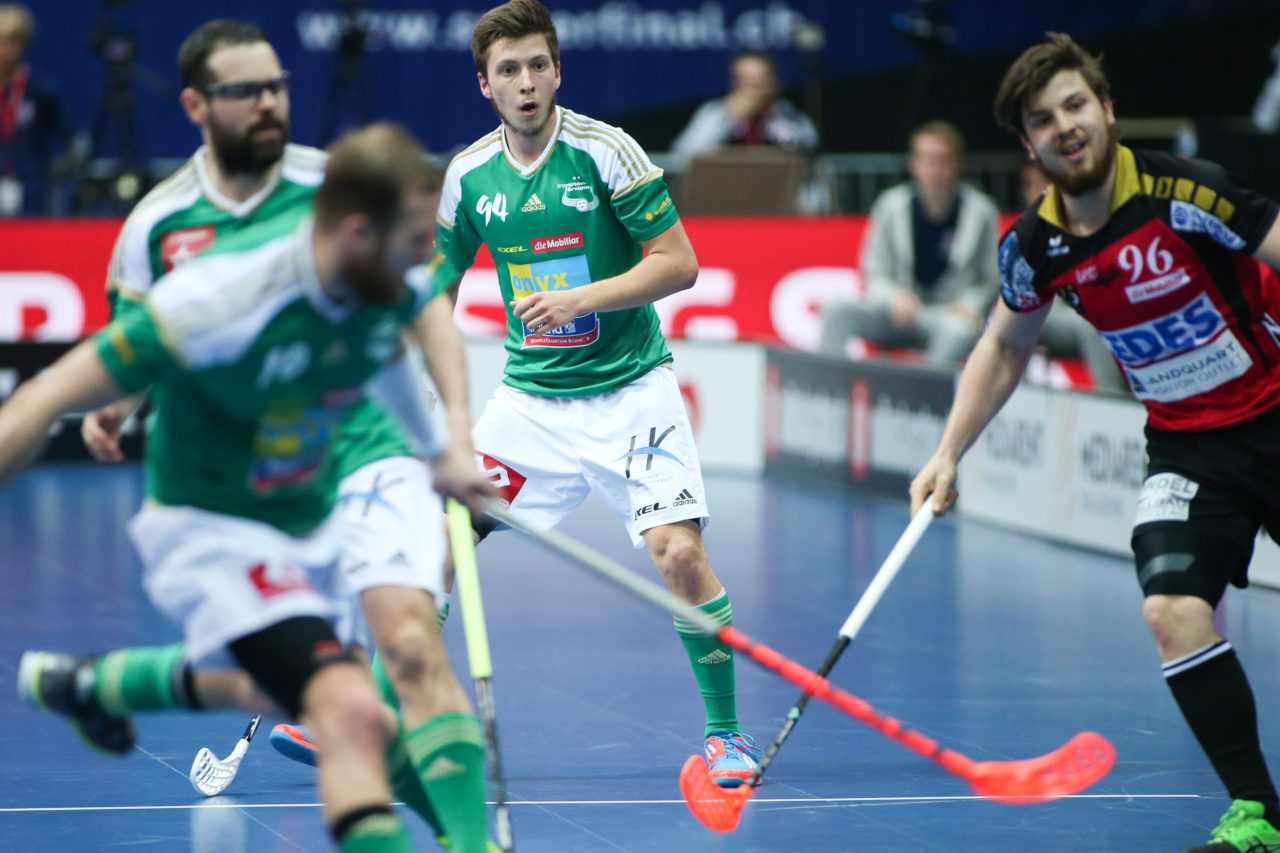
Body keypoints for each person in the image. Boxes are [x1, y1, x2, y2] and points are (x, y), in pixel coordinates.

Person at [67, 20, 493, 850]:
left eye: (278, 85)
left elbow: (424, 305)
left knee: (409, 644)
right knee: (320, 698)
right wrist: (114, 404)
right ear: (195, 105)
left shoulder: (337, 184)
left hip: (368, 439)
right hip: (252, 477)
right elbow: (134, 346)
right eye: (246, 90)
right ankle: (101, 681)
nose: (270, 103)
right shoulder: (158, 226)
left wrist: (457, 433)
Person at [910, 32, 1280, 853]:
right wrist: (948, 452)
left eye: (1077, 106)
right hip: (1188, 448)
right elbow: (1005, 346)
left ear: (1107, 111)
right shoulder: (1035, 246)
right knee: (1173, 609)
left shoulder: (1186, 194)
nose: (1066, 127)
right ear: (1028, 143)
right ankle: (1256, 812)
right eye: (1044, 120)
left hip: (1275, 410)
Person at [433, 0, 760, 788]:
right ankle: (376, 714)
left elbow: (678, 263)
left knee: (680, 555)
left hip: (630, 394)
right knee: (433, 538)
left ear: (557, 70)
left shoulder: (606, 152)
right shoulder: (470, 175)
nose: (526, 82)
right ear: (485, 84)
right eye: (508, 70)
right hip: (529, 409)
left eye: (537, 65)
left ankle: (724, 734)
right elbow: (432, 290)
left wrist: (587, 297)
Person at [818, 120, 1000, 367]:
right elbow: (874, 271)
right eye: (925, 159)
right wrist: (892, 297)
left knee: (959, 331)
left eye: (941, 160)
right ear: (913, 163)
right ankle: (833, 393)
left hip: (948, 313)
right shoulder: (891, 206)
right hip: (898, 310)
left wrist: (970, 305)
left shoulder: (981, 212)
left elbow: (991, 278)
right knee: (835, 310)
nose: (932, 168)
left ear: (956, 164)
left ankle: (927, 400)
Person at [1017, 159, 1126, 391]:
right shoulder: (1027, 235)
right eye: (1030, 185)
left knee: (1092, 324)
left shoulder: (1090, 222)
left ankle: (1111, 401)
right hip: (1050, 318)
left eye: (1043, 184)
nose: (1037, 193)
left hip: (1092, 315)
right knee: (1009, 324)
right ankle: (1018, 403)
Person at [670, 49, 818, 166]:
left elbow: (809, 149)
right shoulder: (714, 113)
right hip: (725, 195)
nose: (754, 89)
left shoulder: (788, 114)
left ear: (774, 83)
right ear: (734, 82)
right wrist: (726, 115)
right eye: (746, 81)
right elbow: (682, 156)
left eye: (760, 81)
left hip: (778, 198)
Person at [0, 3, 64, 216]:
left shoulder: (41, 90)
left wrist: (51, 170)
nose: (6, 49)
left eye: (12, 42)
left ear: (24, 43)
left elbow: (63, 135)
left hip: (32, 187)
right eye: (1, 42)